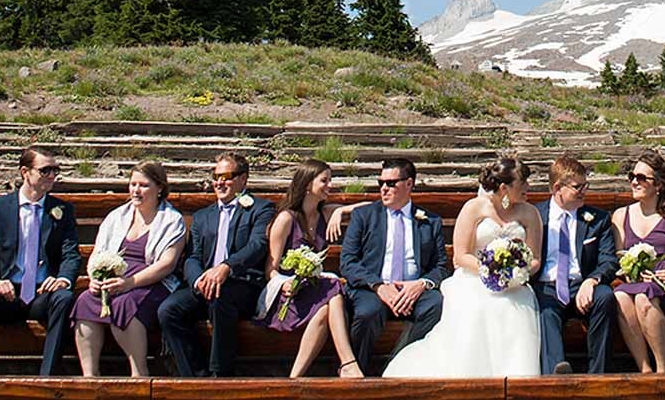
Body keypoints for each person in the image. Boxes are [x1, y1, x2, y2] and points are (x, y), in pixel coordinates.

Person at [383, 155, 544, 378]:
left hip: (514, 283)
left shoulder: (530, 213)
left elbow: (535, 258)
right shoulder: (474, 208)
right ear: (505, 188)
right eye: (523, 182)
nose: (528, 187)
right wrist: (491, 271)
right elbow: (461, 256)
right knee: (476, 306)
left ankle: (515, 380)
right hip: (474, 278)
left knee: (517, 309)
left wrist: (516, 274)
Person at [157, 151, 277, 377]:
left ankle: (220, 374)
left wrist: (226, 267)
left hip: (241, 285)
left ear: (243, 179)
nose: (219, 182)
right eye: (215, 176)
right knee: (168, 310)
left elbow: (257, 245)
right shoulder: (203, 216)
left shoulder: (260, 209)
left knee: (220, 298)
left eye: (227, 176)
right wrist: (198, 280)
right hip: (204, 284)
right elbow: (193, 256)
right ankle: (195, 375)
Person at [0, 146, 80, 376]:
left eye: (55, 170)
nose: (52, 176)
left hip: (42, 292)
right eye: (45, 170)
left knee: (64, 297)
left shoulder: (62, 210)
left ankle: (47, 377)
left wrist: (62, 279)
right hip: (7, 291)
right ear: (25, 172)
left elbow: (71, 254)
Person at [339, 157, 452, 372]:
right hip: (373, 288)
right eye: (380, 183)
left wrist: (421, 284)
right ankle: (358, 371)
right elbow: (348, 262)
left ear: (409, 184)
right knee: (366, 313)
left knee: (436, 305)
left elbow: (440, 267)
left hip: (413, 290)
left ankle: (400, 365)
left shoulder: (429, 221)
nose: (384, 189)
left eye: (391, 183)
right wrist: (378, 286)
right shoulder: (364, 216)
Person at [74, 160, 184, 376]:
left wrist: (130, 283)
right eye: (133, 184)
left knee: (125, 303)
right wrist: (94, 277)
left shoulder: (172, 220)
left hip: (151, 282)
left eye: (143, 185)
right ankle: (90, 376)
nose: (136, 190)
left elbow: (167, 264)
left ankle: (139, 373)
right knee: (85, 300)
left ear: (159, 188)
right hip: (115, 280)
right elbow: (98, 253)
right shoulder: (117, 216)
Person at [260, 159, 364, 378]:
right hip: (288, 296)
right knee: (334, 286)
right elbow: (271, 267)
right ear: (307, 184)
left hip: (314, 292)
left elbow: (373, 207)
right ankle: (348, 362)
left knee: (328, 303)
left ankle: (295, 377)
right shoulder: (286, 219)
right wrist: (286, 282)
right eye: (324, 181)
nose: (330, 185)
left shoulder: (325, 213)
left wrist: (341, 211)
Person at [609, 150, 665, 374]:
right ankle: (644, 367)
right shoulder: (621, 216)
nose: (634, 182)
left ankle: (663, 367)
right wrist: (629, 271)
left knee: (643, 298)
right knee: (620, 296)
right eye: (632, 177)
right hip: (635, 280)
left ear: (658, 185)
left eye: (641, 178)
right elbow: (620, 259)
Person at [532, 154, 619, 374]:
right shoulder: (535, 216)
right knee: (545, 310)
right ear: (557, 188)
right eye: (577, 187)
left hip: (582, 283)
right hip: (546, 285)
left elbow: (608, 259)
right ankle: (557, 372)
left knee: (606, 297)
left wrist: (592, 280)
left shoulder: (596, 219)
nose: (583, 192)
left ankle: (598, 374)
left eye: (585, 186)